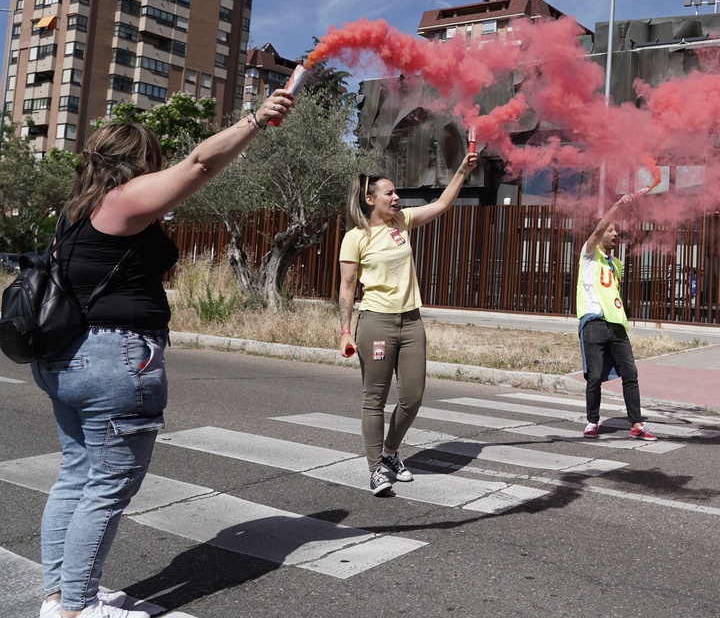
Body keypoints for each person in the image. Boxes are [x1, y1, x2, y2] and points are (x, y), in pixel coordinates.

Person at [34, 91, 294, 618]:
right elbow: (199, 164)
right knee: (106, 487)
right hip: (114, 361)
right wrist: (255, 121)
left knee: (78, 477)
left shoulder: (75, 213)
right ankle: (78, 608)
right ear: (135, 164)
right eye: (153, 163)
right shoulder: (123, 200)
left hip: (69, 358)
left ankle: (61, 596)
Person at [338, 153, 478, 496]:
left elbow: (443, 204)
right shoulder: (355, 237)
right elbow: (346, 287)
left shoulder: (401, 222)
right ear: (371, 199)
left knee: (412, 397)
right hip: (376, 323)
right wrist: (344, 331)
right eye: (389, 193)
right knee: (375, 399)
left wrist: (461, 169)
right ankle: (375, 470)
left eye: (396, 193)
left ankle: (390, 453)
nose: (396, 197)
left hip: (412, 321)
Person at [577, 193, 657, 441]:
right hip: (594, 322)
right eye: (610, 230)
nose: (615, 234)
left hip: (617, 326)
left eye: (617, 231)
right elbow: (600, 226)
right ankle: (592, 421)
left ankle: (636, 423)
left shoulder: (617, 263)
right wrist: (617, 206)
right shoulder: (589, 255)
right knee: (595, 376)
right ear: (600, 233)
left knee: (630, 374)